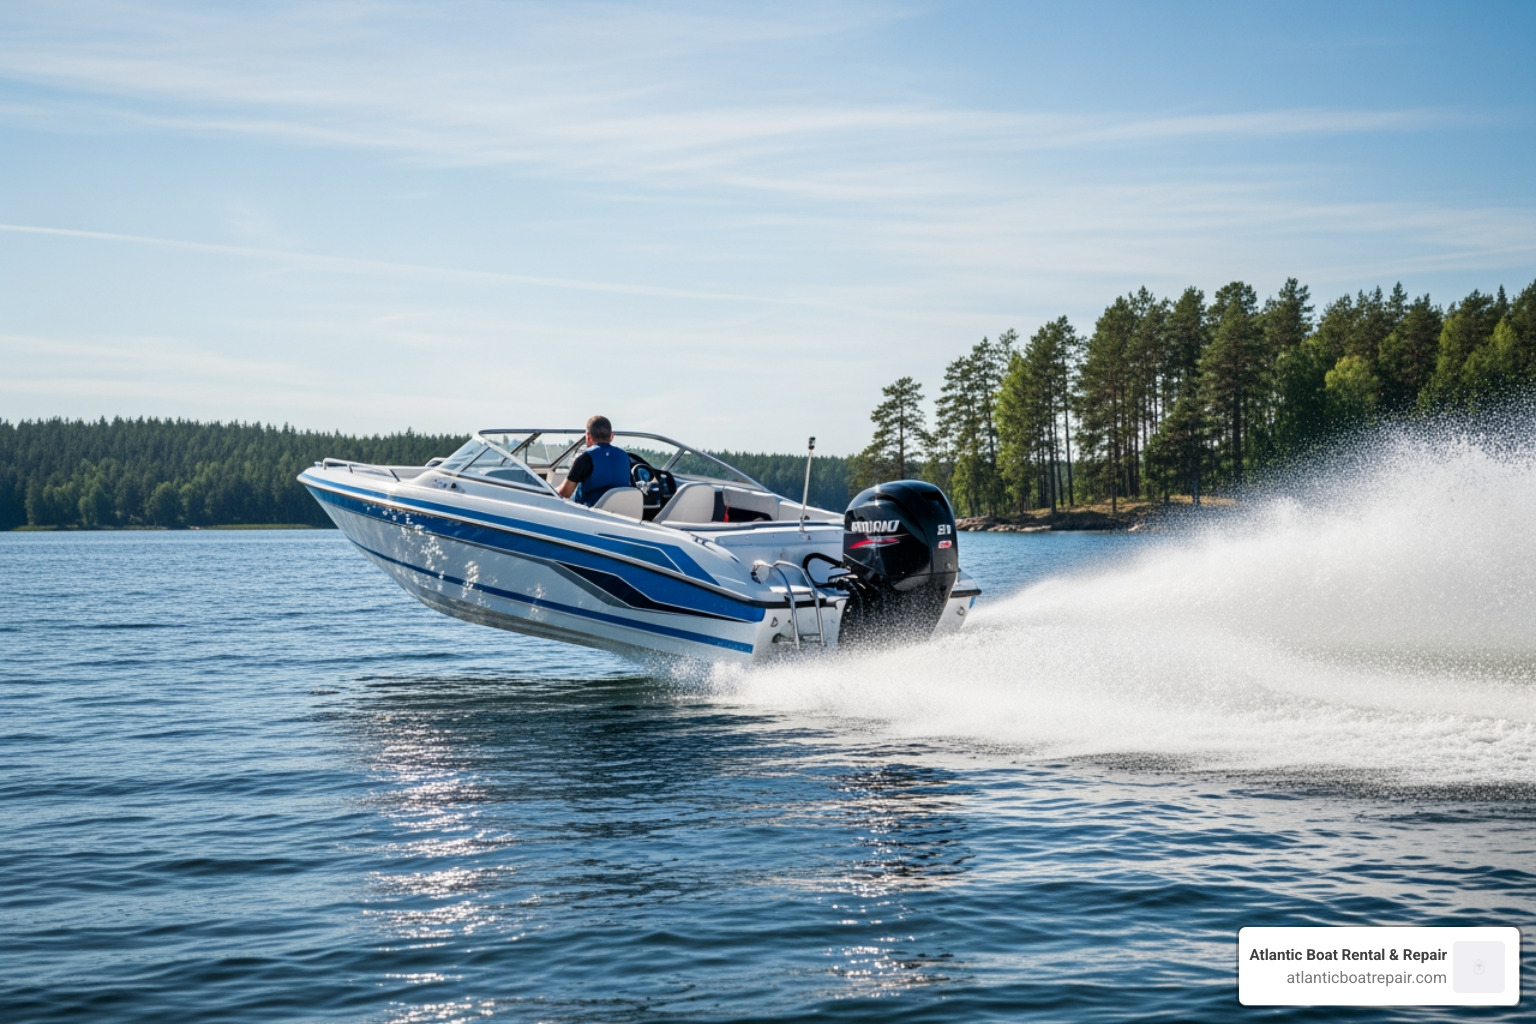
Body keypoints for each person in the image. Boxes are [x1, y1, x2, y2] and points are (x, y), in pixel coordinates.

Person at [557, 415, 630, 506]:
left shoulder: (585, 458)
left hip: (590, 514)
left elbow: (564, 493)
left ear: (588, 436)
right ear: (611, 436)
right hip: (621, 513)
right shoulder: (625, 457)